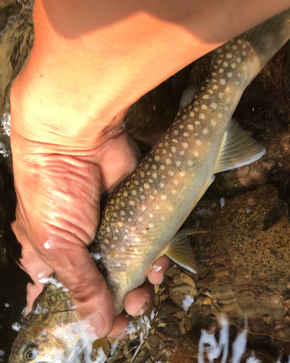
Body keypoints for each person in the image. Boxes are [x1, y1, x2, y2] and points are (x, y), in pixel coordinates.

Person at [10, 0, 290, 339]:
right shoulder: (69, 273)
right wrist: (51, 139)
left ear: (53, 323)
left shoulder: (77, 296)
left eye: (33, 352)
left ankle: (240, 57)